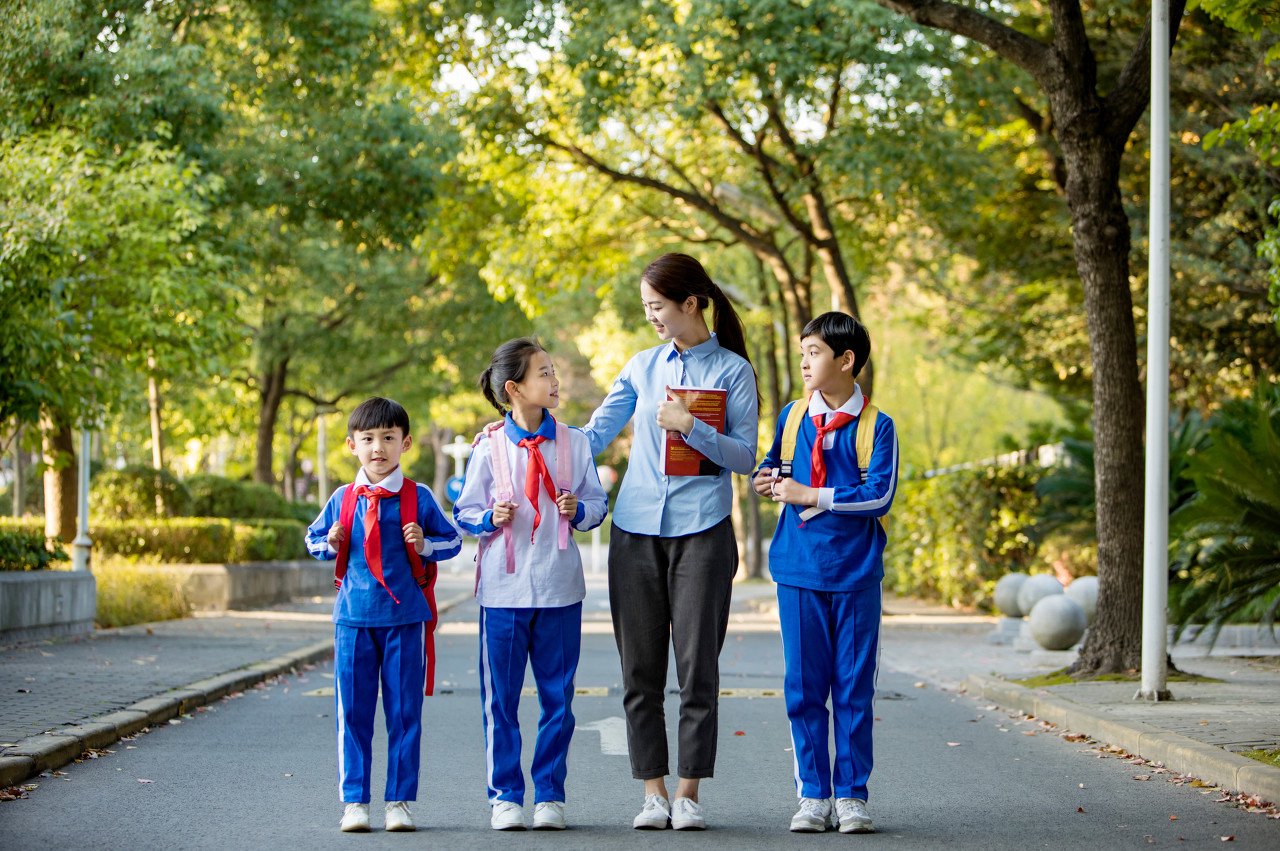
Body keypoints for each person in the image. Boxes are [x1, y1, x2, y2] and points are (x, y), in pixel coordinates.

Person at [582, 252, 759, 831]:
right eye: (645, 308)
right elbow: (592, 435)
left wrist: (692, 428)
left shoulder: (734, 371)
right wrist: (518, 429)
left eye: (657, 307)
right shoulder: (640, 366)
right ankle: (652, 792)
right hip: (634, 531)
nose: (651, 317)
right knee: (639, 670)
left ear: (690, 303)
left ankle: (688, 793)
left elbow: (744, 455)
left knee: (696, 668)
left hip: (703, 532)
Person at [453, 338, 609, 831]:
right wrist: (488, 518)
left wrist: (578, 510)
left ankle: (550, 795)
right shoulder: (488, 446)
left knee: (557, 700)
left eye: (553, 372)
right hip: (502, 590)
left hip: (560, 587)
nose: (554, 381)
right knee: (500, 699)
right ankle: (505, 795)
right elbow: (465, 512)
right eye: (543, 373)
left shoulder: (576, 443)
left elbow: (598, 504)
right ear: (514, 388)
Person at [751, 311, 898, 834]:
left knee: (854, 686)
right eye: (803, 351)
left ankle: (852, 795)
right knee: (804, 686)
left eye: (813, 352)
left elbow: (879, 495)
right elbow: (771, 468)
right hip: (798, 570)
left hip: (855, 574)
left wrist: (814, 495)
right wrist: (766, 480)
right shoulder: (793, 417)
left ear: (846, 360)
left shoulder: (877, 426)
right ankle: (813, 794)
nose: (804, 361)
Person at [305, 396, 462, 833]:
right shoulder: (342, 498)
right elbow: (312, 540)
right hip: (353, 620)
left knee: (404, 713)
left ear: (405, 443)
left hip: (405, 622)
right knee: (352, 714)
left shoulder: (419, 497)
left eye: (388, 438)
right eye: (368, 438)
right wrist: (331, 542)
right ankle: (354, 801)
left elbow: (452, 542)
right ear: (352, 444)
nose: (378, 447)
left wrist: (423, 544)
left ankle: (399, 801)